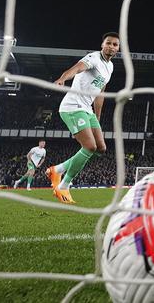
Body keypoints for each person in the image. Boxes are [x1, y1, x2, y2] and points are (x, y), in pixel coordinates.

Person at [46, 32, 119, 205]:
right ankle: (63, 186)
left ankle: (58, 169)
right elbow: (76, 68)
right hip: (72, 106)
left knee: (101, 148)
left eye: (115, 44)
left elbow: (100, 93)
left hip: (88, 110)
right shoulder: (93, 58)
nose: (111, 46)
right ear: (102, 44)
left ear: (118, 49)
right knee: (89, 146)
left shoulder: (110, 67)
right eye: (108, 43)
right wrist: (63, 78)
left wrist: (97, 118)